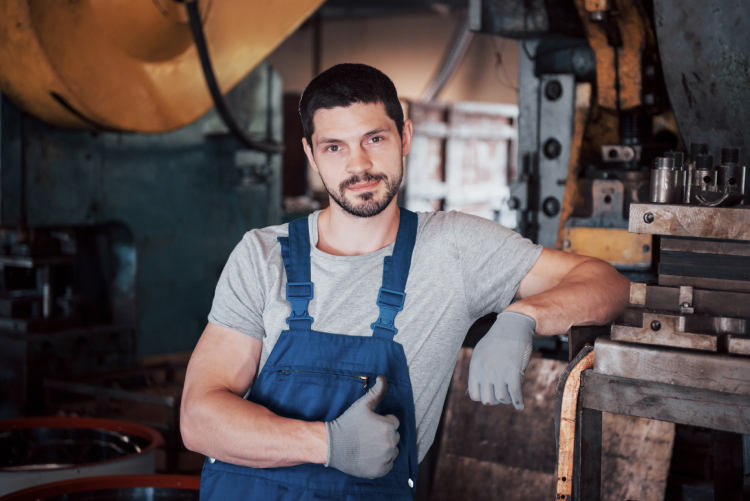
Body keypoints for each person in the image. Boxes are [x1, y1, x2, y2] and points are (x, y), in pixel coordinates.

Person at [180, 63, 629, 500]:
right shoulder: (261, 256)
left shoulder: (453, 247)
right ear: (311, 154)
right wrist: (329, 444)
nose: (359, 165)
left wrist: (523, 316)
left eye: (374, 139)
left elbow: (606, 283)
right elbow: (199, 419)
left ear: (405, 137)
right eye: (334, 146)